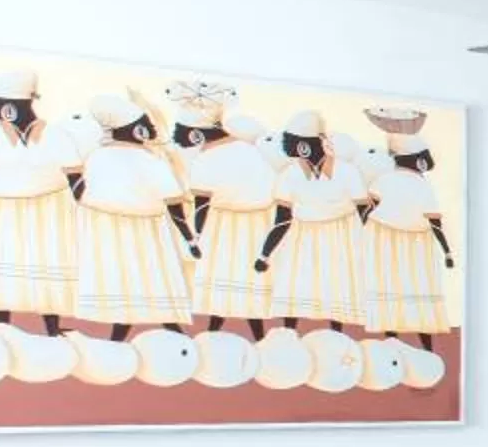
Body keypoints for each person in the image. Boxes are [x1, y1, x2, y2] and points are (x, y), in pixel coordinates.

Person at [0, 69, 78, 336]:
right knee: (2, 271)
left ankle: (52, 329)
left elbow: (77, 183)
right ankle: (3, 329)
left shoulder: (58, 136)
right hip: (2, 214)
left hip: (49, 213)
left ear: (8, 107)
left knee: (47, 268)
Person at [69, 92, 199, 342]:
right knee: (153, 283)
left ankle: (120, 340)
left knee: (124, 285)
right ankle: (170, 332)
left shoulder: (98, 157)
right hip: (147, 233)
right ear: (138, 130)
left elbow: (83, 195)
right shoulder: (151, 161)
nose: (152, 128)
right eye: (147, 124)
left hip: (108, 232)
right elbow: (174, 205)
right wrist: (189, 240)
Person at [255, 110, 370, 334]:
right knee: (295, 287)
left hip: (340, 238)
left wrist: (355, 240)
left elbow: (363, 211)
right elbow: (282, 220)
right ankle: (289, 337)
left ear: (306, 144)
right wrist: (265, 254)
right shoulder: (289, 175)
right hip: (301, 239)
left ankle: (339, 340)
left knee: (336, 290)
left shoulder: (348, 171)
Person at [360, 109, 453, 350]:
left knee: (389, 289)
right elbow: (435, 222)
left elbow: (365, 212)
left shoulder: (383, 180)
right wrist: (447, 251)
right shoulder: (421, 186)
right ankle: (426, 349)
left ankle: (393, 343)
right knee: (418, 292)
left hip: (386, 242)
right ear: (418, 159)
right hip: (415, 246)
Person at [183, 111, 280, 339]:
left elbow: (201, 204)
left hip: (223, 225)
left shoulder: (209, 157)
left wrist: (196, 235)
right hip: (257, 223)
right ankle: (258, 336)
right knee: (249, 280)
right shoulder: (256, 155)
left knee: (222, 278)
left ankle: (213, 332)